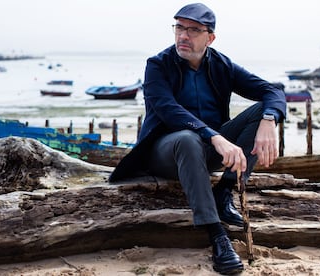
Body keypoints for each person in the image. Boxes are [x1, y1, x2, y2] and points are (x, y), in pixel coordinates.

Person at [109, 2, 286, 275]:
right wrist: (213, 135)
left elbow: (271, 92)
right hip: (164, 152)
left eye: (193, 30)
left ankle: (223, 192)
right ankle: (217, 235)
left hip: (210, 150)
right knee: (188, 138)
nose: (183, 35)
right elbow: (169, 110)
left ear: (210, 37)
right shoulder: (158, 65)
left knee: (262, 109)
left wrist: (269, 119)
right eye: (179, 27)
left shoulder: (222, 65)